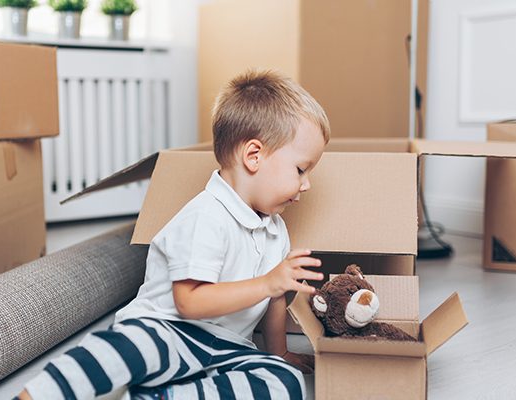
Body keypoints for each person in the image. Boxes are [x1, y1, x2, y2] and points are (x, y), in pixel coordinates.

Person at [18, 69, 330, 400]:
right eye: (300, 169)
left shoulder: (275, 229)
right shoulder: (206, 216)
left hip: (226, 348)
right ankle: (41, 394)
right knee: (128, 347)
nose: (306, 184)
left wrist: (278, 352)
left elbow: (274, 300)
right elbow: (190, 301)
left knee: (285, 382)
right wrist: (268, 283)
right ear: (254, 156)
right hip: (170, 332)